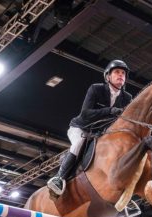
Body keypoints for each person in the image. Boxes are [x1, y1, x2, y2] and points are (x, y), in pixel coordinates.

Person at [47, 60, 133, 198]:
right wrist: (110, 110)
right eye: (117, 72)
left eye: (123, 73)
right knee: (79, 143)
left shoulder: (127, 98)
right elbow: (86, 113)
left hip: (99, 133)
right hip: (80, 128)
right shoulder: (96, 89)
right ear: (108, 76)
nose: (121, 75)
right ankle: (59, 178)